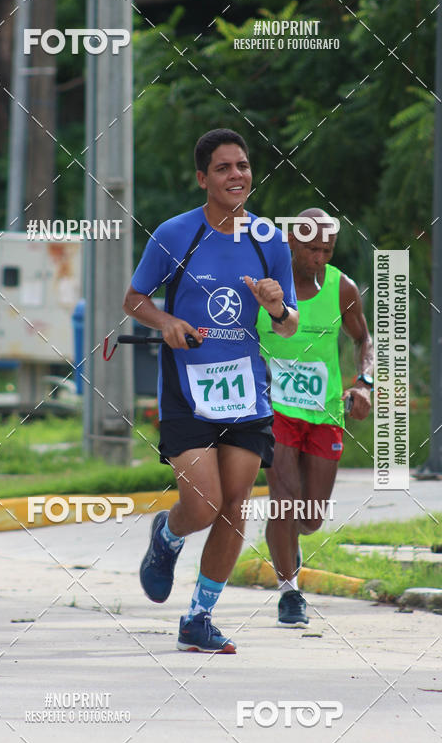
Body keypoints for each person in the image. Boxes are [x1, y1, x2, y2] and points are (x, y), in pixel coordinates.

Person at [123, 128, 298, 653]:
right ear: (203, 178)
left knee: (235, 505)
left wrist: (274, 306)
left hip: (245, 391)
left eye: (242, 166)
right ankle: (168, 536)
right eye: (223, 168)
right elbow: (134, 300)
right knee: (202, 504)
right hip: (186, 386)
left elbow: (288, 324)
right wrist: (167, 321)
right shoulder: (175, 235)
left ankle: (198, 617)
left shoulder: (269, 241)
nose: (236, 175)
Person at [256, 208, 373, 627]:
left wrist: (364, 383)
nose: (319, 257)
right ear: (290, 242)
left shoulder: (341, 288)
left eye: (327, 250)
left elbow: (364, 339)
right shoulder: (264, 286)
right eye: (311, 249)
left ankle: (292, 547)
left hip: (323, 411)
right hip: (275, 411)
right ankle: (290, 592)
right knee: (284, 504)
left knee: (311, 517)